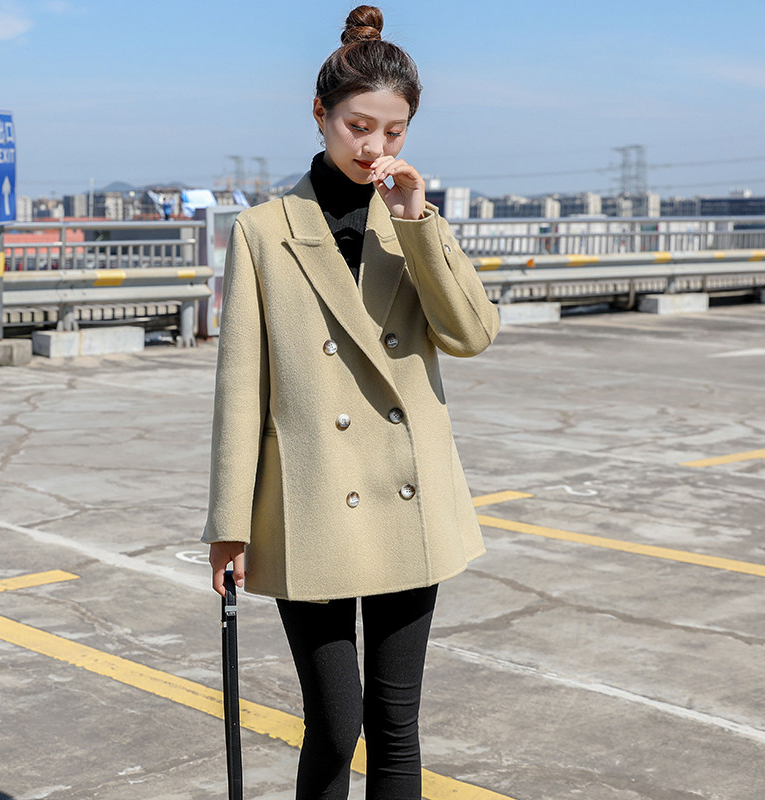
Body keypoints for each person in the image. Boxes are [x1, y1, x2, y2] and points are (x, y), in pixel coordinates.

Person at [204, 6, 500, 799]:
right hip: (313, 501)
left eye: (393, 131)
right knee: (335, 725)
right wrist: (229, 526)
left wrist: (417, 223)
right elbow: (241, 388)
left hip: (408, 496)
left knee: (396, 726)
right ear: (320, 114)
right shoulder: (263, 230)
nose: (374, 147)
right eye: (358, 126)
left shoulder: (411, 219)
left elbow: (471, 334)